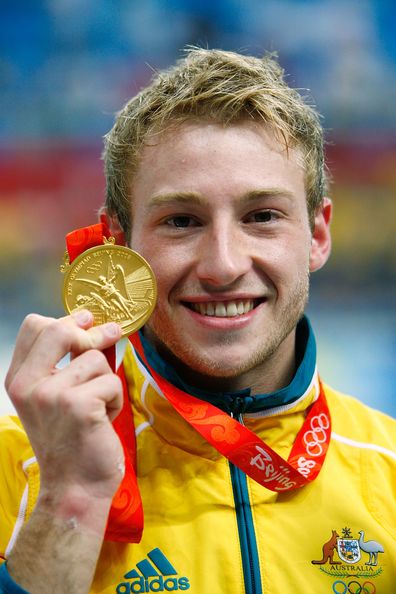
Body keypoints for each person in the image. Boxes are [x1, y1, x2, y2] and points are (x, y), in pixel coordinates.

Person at [0, 48, 395, 594]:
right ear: (118, 243)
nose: (224, 265)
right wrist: (69, 498)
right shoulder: (16, 464)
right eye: (181, 221)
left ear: (318, 236)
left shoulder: (389, 466)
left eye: (262, 217)